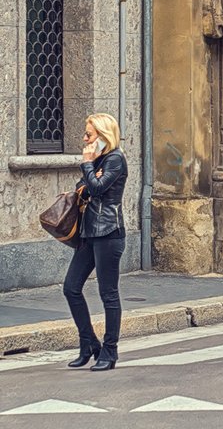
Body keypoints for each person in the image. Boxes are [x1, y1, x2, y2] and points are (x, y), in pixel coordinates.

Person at [63, 114, 128, 372]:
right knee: (71, 287)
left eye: (89, 135)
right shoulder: (99, 160)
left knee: (108, 294)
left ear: (103, 137)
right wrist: (90, 167)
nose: (85, 139)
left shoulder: (116, 159)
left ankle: (110, 351)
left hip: (109, 233)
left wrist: (88, 165)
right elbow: (85, 189)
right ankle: (89, 343)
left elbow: (98, 188)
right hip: (89, 232)